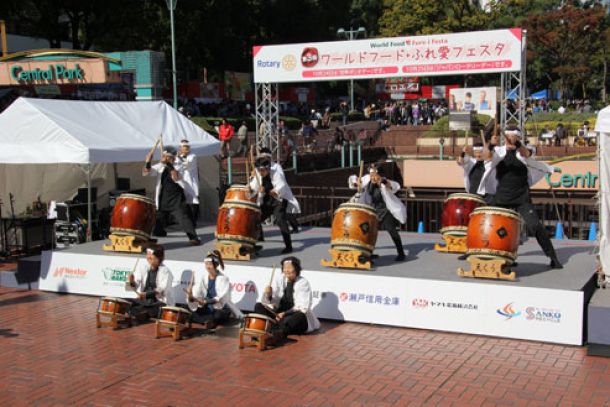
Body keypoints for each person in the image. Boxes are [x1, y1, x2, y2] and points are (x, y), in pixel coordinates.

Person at [478, 127, 563, 269]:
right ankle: (502, 258)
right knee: (498, 228)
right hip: (502, 197)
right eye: (508, 136)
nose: (510, 138)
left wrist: (517, 144)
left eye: (513, 136)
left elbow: (526, 153)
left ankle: (552, 257)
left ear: (518, 138)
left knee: (535, 226)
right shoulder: (498, 151)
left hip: (522, 196)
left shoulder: (524, 149)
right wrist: (490, 144)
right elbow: (486, 156)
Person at [253, 256, 320, 343]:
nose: (287, 270)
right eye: (285, 268)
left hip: (291, 316)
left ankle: (279, 334)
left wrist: (285, 313)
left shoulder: (303, 282)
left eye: (290, 268)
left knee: (300, 316)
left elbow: (303, 307)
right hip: (278, 315)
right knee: (258, 305)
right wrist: (268, 294)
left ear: (296, 269)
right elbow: (272, 302)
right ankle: (263, 329)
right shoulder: (279, 279)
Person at [143, 146, 200, 245]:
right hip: (163, 197)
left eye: (167, 156)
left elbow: (176, 177)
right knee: (158, 218)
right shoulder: (160, 166)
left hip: (176, 198)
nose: (164, 158)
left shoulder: (180, 165)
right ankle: (158, 232)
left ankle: (193, 237)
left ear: (172, 157)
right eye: (164, 156)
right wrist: (148, 162)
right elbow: (147, 172)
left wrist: (168, 164)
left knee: (183, 218)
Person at [348, 165, 407, 261]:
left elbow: (395, 186)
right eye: (371, 174)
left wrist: (382, 181)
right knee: (368, 232)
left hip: (384, 211)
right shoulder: (367, 179)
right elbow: (355, 181)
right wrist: (356, 183)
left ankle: (401, 253)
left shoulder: (383, 182)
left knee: (392, 231)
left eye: (374, 174)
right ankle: (368, 253)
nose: (372, 176)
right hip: (371, 212)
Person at [249, 149, 301, 253]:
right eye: (259, 170)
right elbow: (254, 186)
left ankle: (288, 246)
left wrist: (266, 190)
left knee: (280, 221)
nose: (261, 173)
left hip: (279, 201)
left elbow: (280, 188)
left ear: (268, 168)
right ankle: (253, 244)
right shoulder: (258, 174)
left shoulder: (276, 171)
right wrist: (250, 189)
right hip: (267, 202)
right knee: (255, 220)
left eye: (262, 170)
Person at [185, 250, 243, 329]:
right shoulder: (204, 278)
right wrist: (191, 296)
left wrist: (206, 301)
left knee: (218, 315)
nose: (208, 267)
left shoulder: (223, 279)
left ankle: (209, 321)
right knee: (188, 311)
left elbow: (220, 298)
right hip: (207, 307)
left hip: (221, 307)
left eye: (210, 264)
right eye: (206, 264)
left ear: (215, 265)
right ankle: (208, 321)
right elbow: (197, 293)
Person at [126, 245, 174, 321]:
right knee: (126, 302)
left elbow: (161, 289)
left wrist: (146, 295)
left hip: (158, 301)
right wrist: (131, 281)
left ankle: (141, 314)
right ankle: (140, 314)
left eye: (151, 255)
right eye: (147, 254)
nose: (148, 257)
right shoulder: (143, 268)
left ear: (158, 257)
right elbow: (135, 285)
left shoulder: (166, 272)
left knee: (159, 308)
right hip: (143, 301)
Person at [177, 140, 200, 228]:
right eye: (184, 147)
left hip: (192, 184)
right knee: (184, 204)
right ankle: (187, 223)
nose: (186, 149)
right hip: (183, 183)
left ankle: (193, 223)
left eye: (187, 147)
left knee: (193, 204)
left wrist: (178, 158)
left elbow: (187, 165)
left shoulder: (193, 156)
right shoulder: (178, 157)